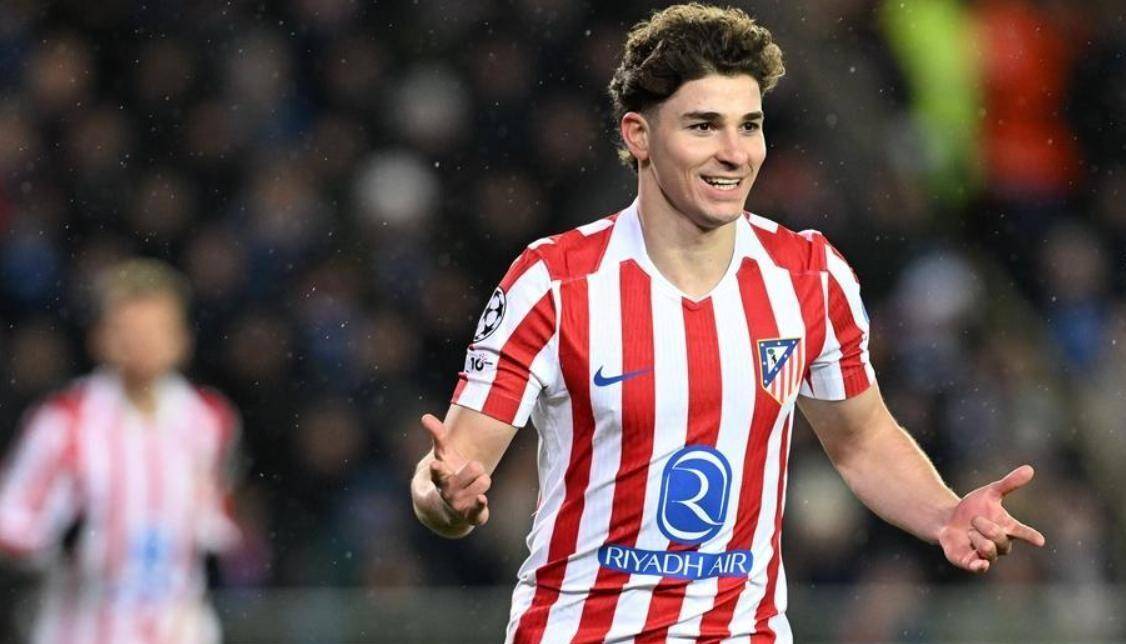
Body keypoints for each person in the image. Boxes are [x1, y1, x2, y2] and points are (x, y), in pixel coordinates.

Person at [410, 4, 1046, 642]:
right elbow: (450, 470)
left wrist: (944, 514)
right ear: (639, 135)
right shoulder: (554, 282)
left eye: (750, 126)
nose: (735, 153)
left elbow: (861, 440)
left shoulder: (811, 278)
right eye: (704, 126)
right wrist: (446, 503)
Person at [0, 258, 240, 644]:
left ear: (181, 338)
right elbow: (11, 521)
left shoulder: (209, 420)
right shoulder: (64, 421)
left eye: (155, 330)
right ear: (101, 337)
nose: (143, 344)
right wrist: (58, 537)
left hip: (179, 631)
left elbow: (217, 519)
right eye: (129, 331)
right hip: (84, 630)